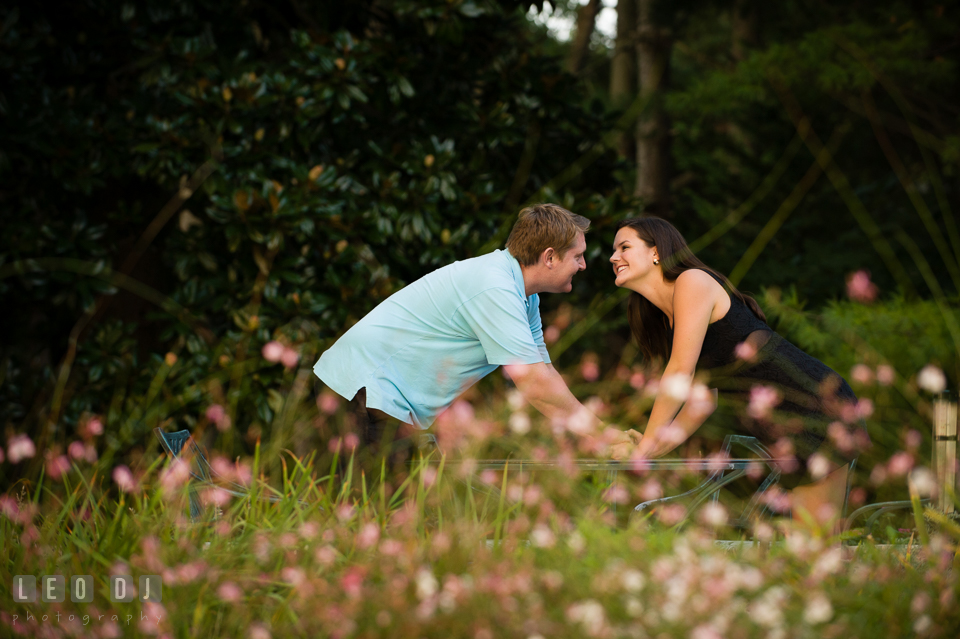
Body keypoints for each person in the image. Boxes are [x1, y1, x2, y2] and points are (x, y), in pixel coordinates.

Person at [608, 216, 868, 526]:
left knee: (812, 542)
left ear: (657, 252)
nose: (613, 257)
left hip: (819, 407)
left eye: (624, 247)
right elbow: (701, 403)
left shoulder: (692, 281)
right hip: (784, 424)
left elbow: (680, 372)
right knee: (802, 543)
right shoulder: (668, 318)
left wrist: (646, 448)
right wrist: (650, 447)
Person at [314, 203, 602, 458]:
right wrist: (604, 436)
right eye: (577, 256)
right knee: (372, 512)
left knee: (404, 511)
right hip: (360, 391)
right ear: (550, 257)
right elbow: (534, 384)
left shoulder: (524, 296)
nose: (583, 265)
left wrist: (596, 431)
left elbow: (543, 373)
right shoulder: (495, 287)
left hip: (382, 402)